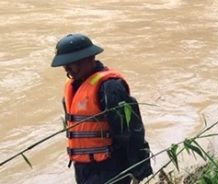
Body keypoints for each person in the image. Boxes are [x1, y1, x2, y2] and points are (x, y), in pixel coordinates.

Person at [51, 33, 152, 184]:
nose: (67, 68)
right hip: (83, 167)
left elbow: (130, 132)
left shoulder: (109, 87)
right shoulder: (73, 86)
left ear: (89, 59)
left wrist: (138, 167)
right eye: (65, 64)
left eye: (72, 63)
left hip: (110, 166)